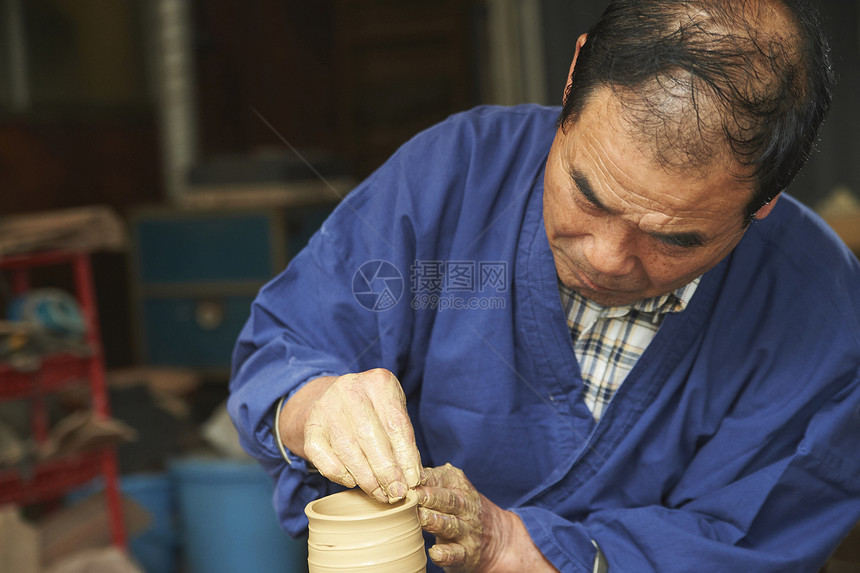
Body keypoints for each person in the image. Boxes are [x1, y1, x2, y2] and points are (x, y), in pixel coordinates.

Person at [228, 0, 860, 571]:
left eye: (674, 239)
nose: (609, 259)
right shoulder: (455, 174)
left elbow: (747, 546)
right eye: (588, 194)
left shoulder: (820, 311)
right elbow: (285, 345)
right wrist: (315, 403)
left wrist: (512, 547)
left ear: (767, 199)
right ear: (573, 78)